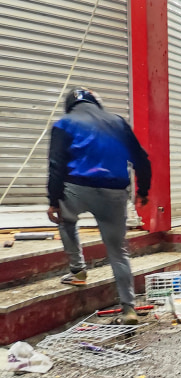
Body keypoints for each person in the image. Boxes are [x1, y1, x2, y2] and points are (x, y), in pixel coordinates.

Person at [47, 87, 151, 324]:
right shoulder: (117, 122)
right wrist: (143, 191)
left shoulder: (64, 124)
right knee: (118, 252)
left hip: (76, 189)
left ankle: (77, 271)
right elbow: (141, 159)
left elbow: (56, 164)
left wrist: (53, 202)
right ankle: (129, 309)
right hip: (114, 193)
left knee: (66, 220)